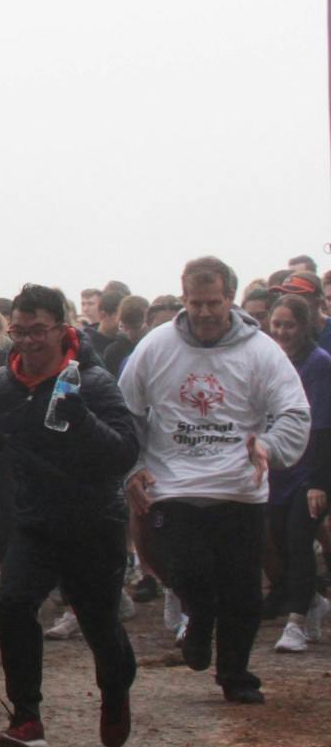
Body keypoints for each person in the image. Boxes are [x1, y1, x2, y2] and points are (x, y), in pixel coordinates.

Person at [0, 284, 142, 747]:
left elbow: (124, 453)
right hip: (33, 522)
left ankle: (116, 693)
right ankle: (26, 718)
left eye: (38, 331)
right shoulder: (1, 387)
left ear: (61, 330)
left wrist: (81, 418)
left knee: (100, 624)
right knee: (14, 605)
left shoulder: (93, 384)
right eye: (19, 331)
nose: (28, 341)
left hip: (94, 523)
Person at [121, 256, 309, 704]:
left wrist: (268, 446)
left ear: (231, 299)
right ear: (183, 298)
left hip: (239, 487)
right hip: (175, 484)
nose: (204, 312)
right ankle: (198, 619)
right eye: (195, 302)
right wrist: (133, 466)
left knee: (243, 590)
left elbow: (295, 413)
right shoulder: (155, 346)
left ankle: (236, 676)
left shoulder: (260, 350)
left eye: (213, 302)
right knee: (189, 570)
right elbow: (125, 411)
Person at [261, 294, 331, 654]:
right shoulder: (271, 361)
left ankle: (296, 623)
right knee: (278, 540)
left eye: (289, 325)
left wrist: (319, 482)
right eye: (277, 325)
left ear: (304, 327)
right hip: (278, 471)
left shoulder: (319, 365)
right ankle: (313, 602)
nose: (283, 332)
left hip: (311, 470)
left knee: (298, 537)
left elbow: (322, 427)